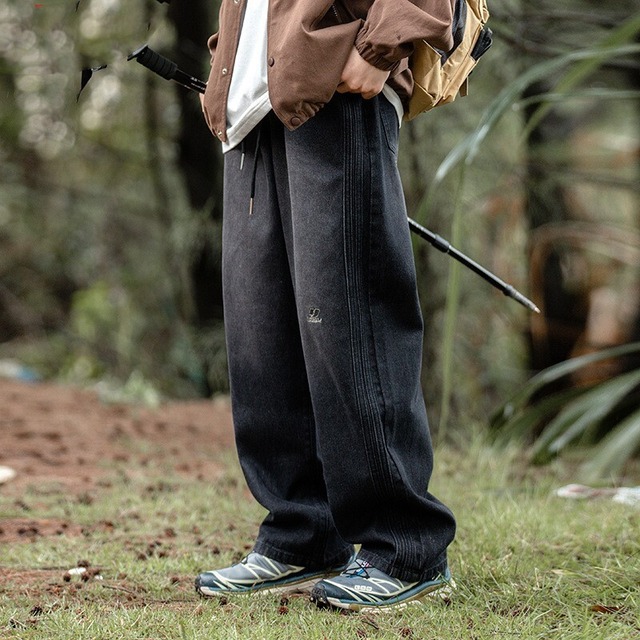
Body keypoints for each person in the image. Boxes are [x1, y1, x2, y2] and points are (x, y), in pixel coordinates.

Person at [194, 0, 457, 612]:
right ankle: (303, 532)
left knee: (350, 321)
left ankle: (405, 547)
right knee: (265, 332)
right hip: (253, 107)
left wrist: (380, 45)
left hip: (338, 85)